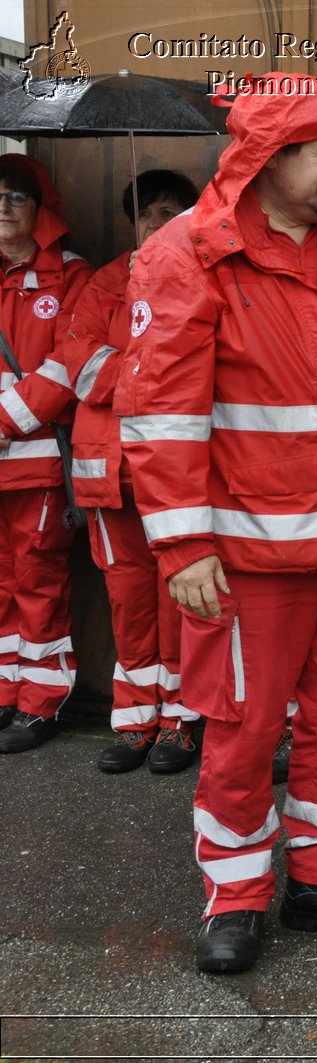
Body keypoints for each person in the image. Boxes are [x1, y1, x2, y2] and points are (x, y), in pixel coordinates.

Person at [117, 73, 317, 975]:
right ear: (271, 157)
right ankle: (238, 895)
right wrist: (182, 543)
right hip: (249, 560)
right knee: (244, 732)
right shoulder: (188, 255)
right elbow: (161, 414)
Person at [63, 169, 203, 774]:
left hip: (174, 477)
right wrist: (150, 373)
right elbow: (84, 371)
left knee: (183, 604)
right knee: (129, 605)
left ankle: (180, 721)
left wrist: (141, 371)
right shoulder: (102, 283)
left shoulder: (200, 275)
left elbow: (204, 374)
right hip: (109, 475)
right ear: (133, 220)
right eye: (149, 212)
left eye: (171, 211)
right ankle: (135, 721)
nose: (158, 221)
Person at [0, 154, 93, 755]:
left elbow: (72, 362)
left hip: (35, 461)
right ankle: (5, 694)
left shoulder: (73, 277)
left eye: (16, 197)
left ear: (41, 210)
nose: (3, 208)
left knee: (37, 580)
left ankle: (40, 705)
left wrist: (6, 419)